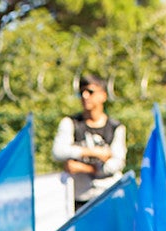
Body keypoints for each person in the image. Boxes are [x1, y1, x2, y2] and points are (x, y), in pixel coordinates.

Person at [52, 72, 127, 211]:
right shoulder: (71, 123)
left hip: (109, 196)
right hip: (80, 198)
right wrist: (93, 152)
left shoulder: (116, 127)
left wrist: (85, 168)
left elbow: (117, 163)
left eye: (90, 91)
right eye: (82, 92)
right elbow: (58, 151)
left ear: (103, 95)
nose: (85, 96)